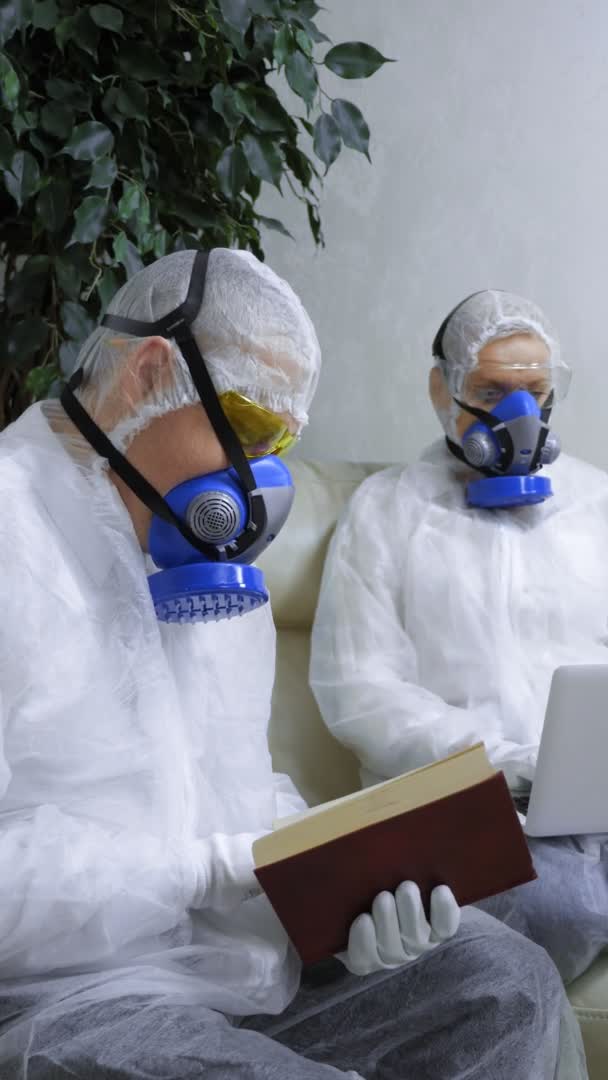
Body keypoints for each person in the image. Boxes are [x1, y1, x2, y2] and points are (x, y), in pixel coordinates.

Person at [0, 262, 584, 1080]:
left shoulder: (212, 564)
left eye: (281, 444)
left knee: (505, 980)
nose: (259, 482)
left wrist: (341, 892)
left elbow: (242, 788)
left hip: (241, 966)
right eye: (246, 430)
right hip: (65, 999)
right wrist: (203, 868)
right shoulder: (11, 533)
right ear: (148, 374)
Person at [310, 287, 608, 997]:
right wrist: (500, 760)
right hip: (479, 812)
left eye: (536, 392)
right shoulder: (387, 510)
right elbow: (359, 691)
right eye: (493, 391)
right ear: (442, 389)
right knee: (555, 909)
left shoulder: (597, 506)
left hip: (598, 805)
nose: (520, 417)